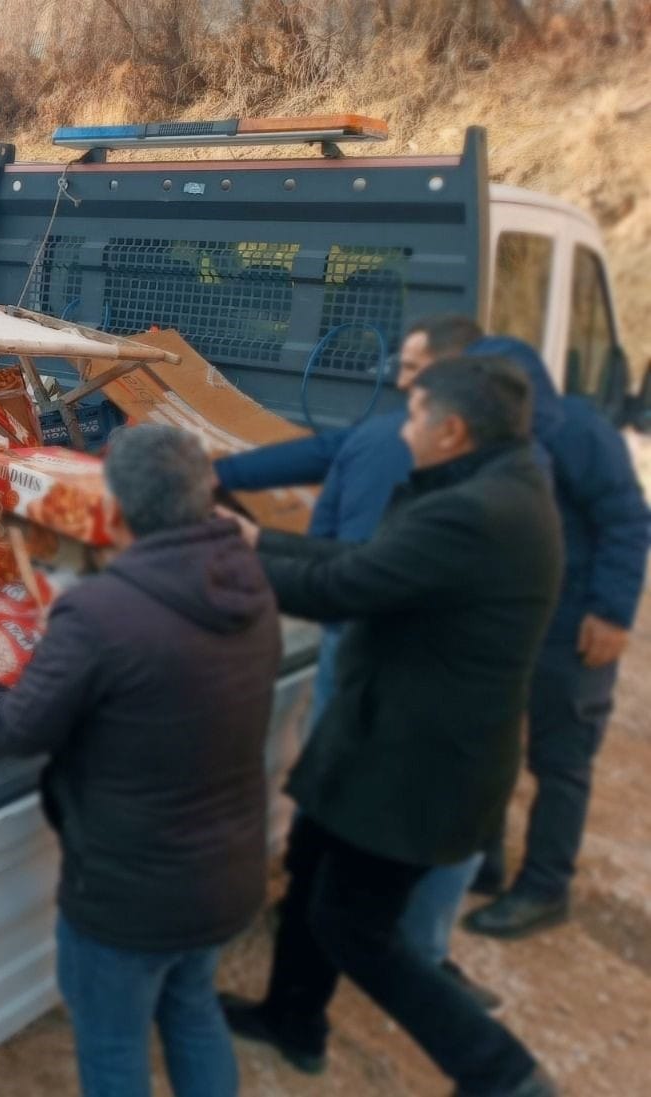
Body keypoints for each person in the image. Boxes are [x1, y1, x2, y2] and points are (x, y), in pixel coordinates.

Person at [218, 358, 563, 1097]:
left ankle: (500, 1072)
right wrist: (253, 541)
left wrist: (234, 555)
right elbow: (370, 559)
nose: (400, 429)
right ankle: (292, 1018)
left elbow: (343, 586)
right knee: (310, 864)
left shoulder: (473, 512)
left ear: (450, 430)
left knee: (354, 927)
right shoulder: (500, 486)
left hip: (414, 764)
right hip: (389, 732)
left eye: (412, 415)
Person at [0, 424, 280, 1097]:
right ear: (206, 499)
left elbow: (21, 724)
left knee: (113, 1043)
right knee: (192, 1011)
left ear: (114, 511)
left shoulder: (100, 611)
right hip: (226, 871)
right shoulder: (250, 584)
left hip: (129, 897)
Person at [215, 314, 501, 1006]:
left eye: (409, 371)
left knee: (339, 794)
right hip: (419, 674)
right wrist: (216, 468)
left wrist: (252, 554)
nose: (394, 382)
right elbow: (322, 450)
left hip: (371, 650)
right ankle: (360, 933)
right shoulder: (472, 459)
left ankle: (387, 946)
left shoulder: (399, 453)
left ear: (446, 384)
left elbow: (352, 576)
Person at [462, 336, 651, 938]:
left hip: (575, 624)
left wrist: (613, 613)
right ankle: (482, 864)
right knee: (492, 737)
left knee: (561, 759)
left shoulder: (579, 433)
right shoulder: (496, 433)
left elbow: (626, 519)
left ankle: (546, 888)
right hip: (517, 619)